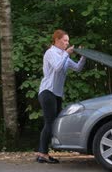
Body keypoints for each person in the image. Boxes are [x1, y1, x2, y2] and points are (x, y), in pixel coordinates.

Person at [36, 29, 86, 164]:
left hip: (57, 93)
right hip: (47, 91)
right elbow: (58, 67)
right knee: (49, 122)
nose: (67, 43)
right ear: (57, 40)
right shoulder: (51, 53)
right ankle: (42, 154)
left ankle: (43, 153)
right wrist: (66, 54)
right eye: (65, 41)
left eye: (68, 41)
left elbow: (77, 68)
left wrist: (83, 56)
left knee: (53, 122)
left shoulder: (63, 55)